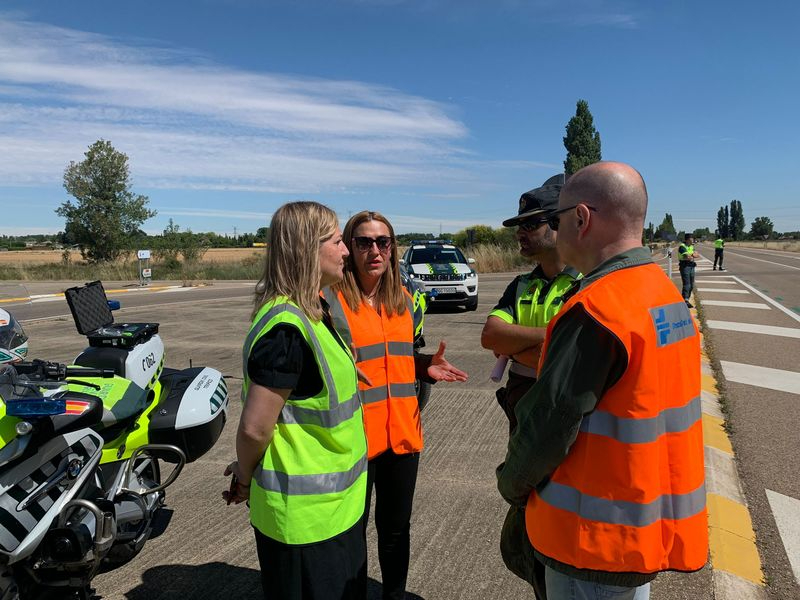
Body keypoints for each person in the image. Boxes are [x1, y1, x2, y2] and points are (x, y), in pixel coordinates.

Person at [497, 162, 707, 600]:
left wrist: (511, 483)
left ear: (581, 218)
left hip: (590, 542)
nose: (556, 230)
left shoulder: (596, 309)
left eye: (557, 220)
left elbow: (548, 429)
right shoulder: (664, 295)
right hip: (638, 529)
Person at [224, 201, 368, 600]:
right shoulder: (285, 329)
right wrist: (244, 477)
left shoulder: (314, 310)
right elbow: (255, 428)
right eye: (337, 241)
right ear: (307, 249)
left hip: (335, 510)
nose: (346, 251)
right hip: (306, 524)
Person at [325, 210, 467, 600]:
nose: (374, 250)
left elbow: (397, 356)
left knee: (395, 529)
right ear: (349, 247)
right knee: (351, 532)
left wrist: (424, 366)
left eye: (382, 242)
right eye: (363, 242)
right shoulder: (329, 302)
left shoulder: (404, 300)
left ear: (392, 248)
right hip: (354, 439)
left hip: (403, 435)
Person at [481, 174, 579, 435]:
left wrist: (512, 350)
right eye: (519, 226)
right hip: (522, 416)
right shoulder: (521, 284)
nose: (519, 234)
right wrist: (554, 337)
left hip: (567, 420)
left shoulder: (588, 283)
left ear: (561, 223)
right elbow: (491, 336)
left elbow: (573, 360)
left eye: (531, 224)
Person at [677, 233, 699, 308]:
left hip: (691, 266)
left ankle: (686, 299)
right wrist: (692, 255)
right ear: (687, 239)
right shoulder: (682, 247)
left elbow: (697, 255)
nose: (693, 240)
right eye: (691, 238)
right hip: (685, 266)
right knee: (687, 284)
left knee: (691, 285)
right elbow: (687, 257)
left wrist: (691, 256)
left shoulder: (691, 246)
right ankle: (685, 300)